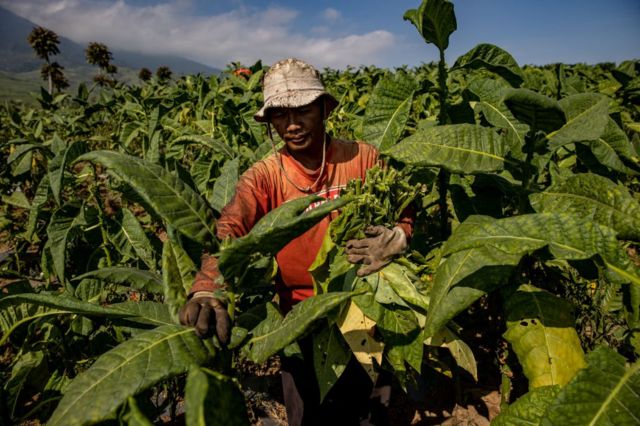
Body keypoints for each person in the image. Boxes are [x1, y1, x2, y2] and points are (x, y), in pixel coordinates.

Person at [179, 58, 412, 425]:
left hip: (365, 310)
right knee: (309, 413)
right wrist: (209, 286)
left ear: (324, 109)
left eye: (302, 111)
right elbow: (230, 230)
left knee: (372, 409)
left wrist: (398, 236)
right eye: (280, 115)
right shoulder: (264, 176)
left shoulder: (361, 158)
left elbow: (404, 212)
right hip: (299, 317)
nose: (291, 125)